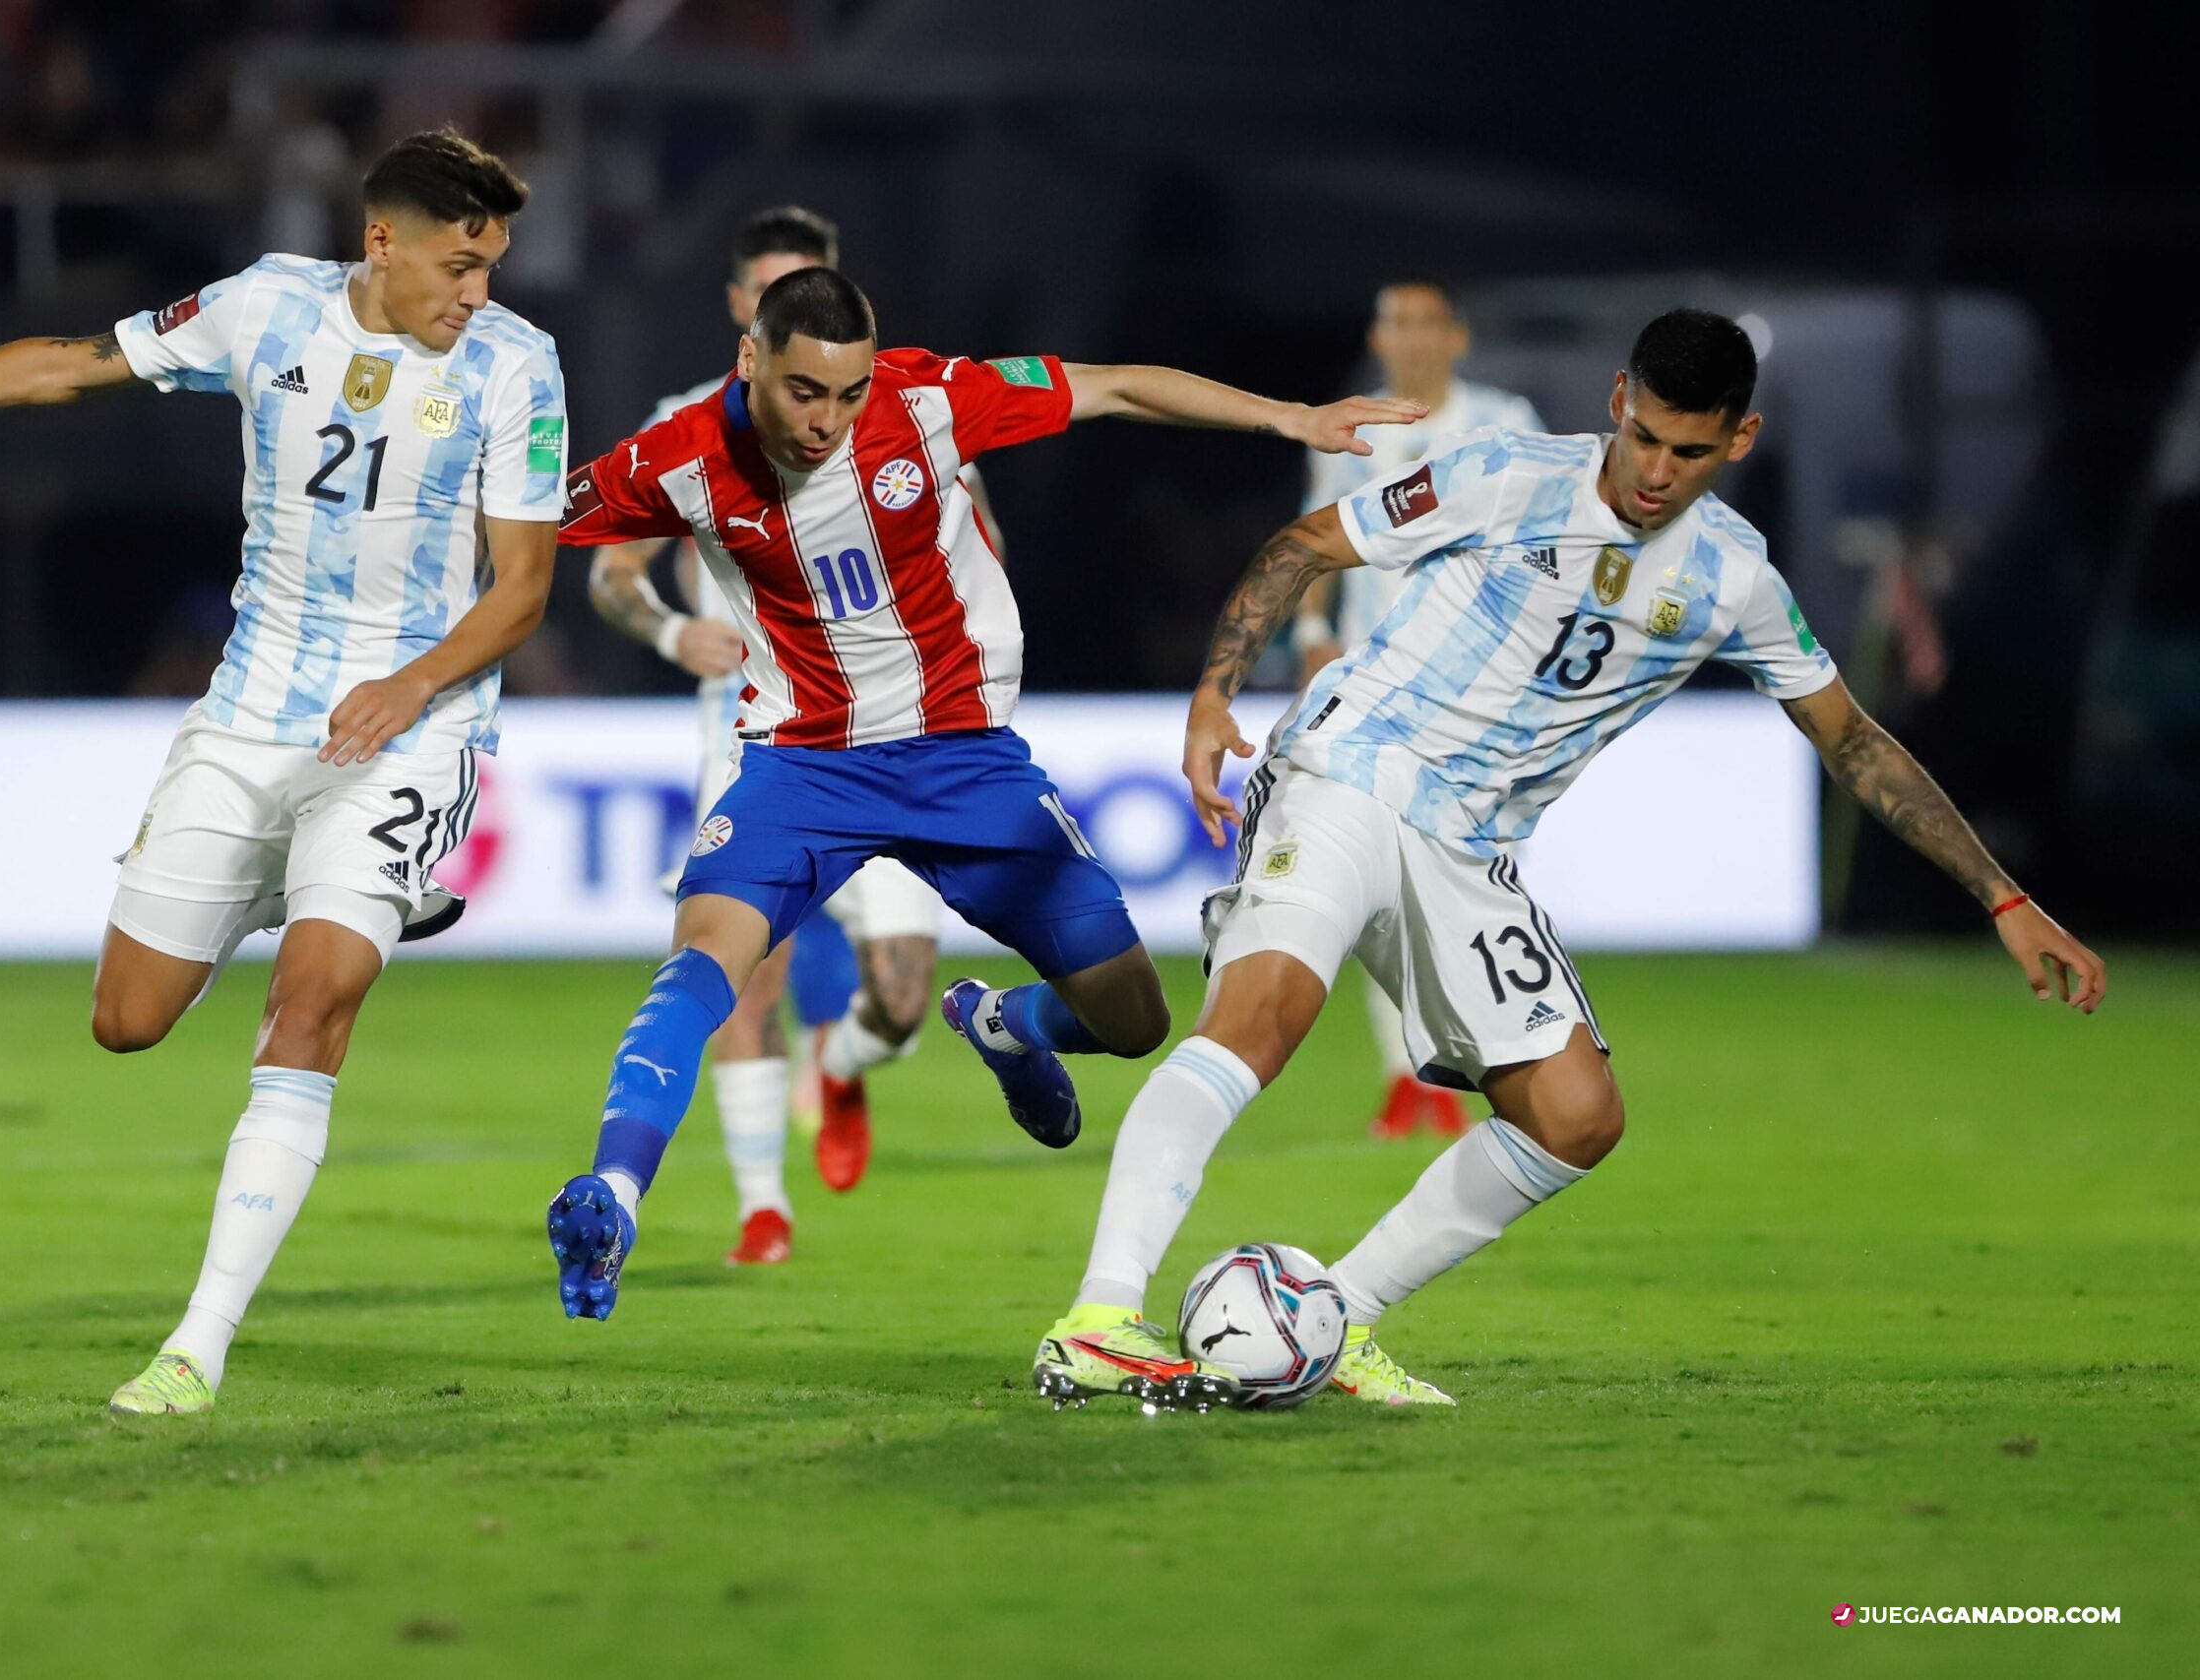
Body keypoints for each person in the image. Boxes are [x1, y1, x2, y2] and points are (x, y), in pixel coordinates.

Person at [1032, 309, 2106, 1409]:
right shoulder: (1504, 476)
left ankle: (1332, 1321)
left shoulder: (1734, 581)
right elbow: (1307, 545)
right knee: (1259, 1021)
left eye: (1688, 452)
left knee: (1576, 1116)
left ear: (1740, 441)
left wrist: (2004, 897)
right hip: (1354, 766)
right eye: (1643, 436)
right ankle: (1101, 1318)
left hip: (1471, 847)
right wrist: (1215, 694)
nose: (1653, 471)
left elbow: (1852, 740)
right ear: (1615, 401)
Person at [0, 129, 568, 1417]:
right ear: (383, 240)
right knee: (127, 1019)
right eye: (462, 264)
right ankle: (303, 880)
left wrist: (410, 686)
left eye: (493, 267)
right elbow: (64, 367)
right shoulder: (264, 306)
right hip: (248, 717)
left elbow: (519, 591)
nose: (479, 294)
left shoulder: (516, 366)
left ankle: (198, 1343)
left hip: (413, 721)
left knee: (315, 999)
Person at [544, 266, 1425, 1320]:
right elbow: (528, 524)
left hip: (964, 762)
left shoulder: (925, 402)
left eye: (847, 392)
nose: (827, 421)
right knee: (705, 960)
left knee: (1137, 1020)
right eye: (802, 393)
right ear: (749, 363)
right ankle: (613, 1196)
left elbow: (1115, 388)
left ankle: (1010, 1024)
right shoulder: (678, 456)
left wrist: (1287, 417)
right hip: (800, 764)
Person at [584, 207, 987, 1266]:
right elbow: (610, 572)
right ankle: (763, 1208)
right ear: (739, 314)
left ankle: (846, 1064)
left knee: (903, 997)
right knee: (740, 974)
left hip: (893, 741)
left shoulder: (905, 409)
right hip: (757, 746)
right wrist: (676, 632)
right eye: (775, 288)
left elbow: (971, 548)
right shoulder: (686, 430)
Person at [1291, 280, 1544, 1142]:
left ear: (1457, 336)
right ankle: (1416, 1075)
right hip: (1378, 686)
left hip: (1482, 689)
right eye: (1396, 321)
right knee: (1377, 877)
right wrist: (1315, 631)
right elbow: (1317, 538)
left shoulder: (1504, 420)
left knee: (1461, 877)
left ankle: (1464, 1062)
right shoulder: (1351, 429)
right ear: (1378, 335)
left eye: (1426, 320)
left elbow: (1552, 533)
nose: (1411, 336)